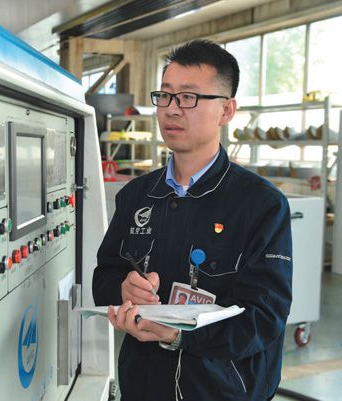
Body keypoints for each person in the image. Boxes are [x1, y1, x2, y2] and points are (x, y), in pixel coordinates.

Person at [93, 39, 292, 401]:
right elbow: (105, 274)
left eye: (188, 97)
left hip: (223, 390)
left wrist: (179, 334)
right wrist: (123, 289)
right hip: (142, 386)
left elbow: (264, 318)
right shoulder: (136, 196)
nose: (171, 110)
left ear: (226, 110)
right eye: (165, 96)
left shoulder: (261, 205)